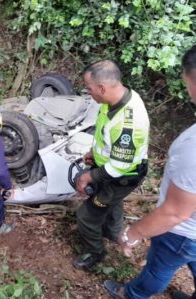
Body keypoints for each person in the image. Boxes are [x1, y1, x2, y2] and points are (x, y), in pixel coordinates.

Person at [104, 46, 196, 299]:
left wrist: (131, 233)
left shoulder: (193, 148)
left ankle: (131, 294)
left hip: (184, 232)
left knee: (158, 268)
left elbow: (175, 213)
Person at [73, 60, 150, 271]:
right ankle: (111, 229)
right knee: (111, 202)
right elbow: (107, 138)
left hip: (122, 177)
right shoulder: (115, 99)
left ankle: (95, 252)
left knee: (86, 215)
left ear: (102, 88)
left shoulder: (128, 122)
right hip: (113, 170)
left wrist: (90, 176)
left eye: (89, 89)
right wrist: (94, 153)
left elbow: (119, 165)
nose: (89, 93)